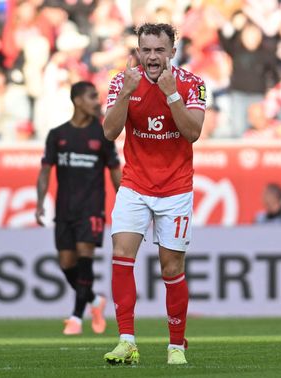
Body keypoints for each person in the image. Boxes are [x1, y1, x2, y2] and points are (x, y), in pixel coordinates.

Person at [102, 23, 206, 365]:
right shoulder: (122, 81)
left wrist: (171, 93)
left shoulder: (192, 84)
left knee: (171, 266)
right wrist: (124, 96)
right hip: (134, 183)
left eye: (159, 50)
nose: (151, 57)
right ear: (138, 51)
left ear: (172, 52)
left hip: (175, 187)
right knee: (121, 253)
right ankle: (127, 340)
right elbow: (110, 132)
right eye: (145, 50)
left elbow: (192, 133)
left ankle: (176, 345)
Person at [35, 81, 121, 336]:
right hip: (65, 210)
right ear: (77, 100)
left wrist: (127, 203)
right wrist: (40, 202)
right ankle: (95, 300)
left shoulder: (103, 134)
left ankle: (75, 317)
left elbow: (116, 172)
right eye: (92, 97)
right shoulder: (57, 135)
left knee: (85, 258)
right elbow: (45, 171)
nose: (97, 101)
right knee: (66, 263)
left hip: (92, 208)